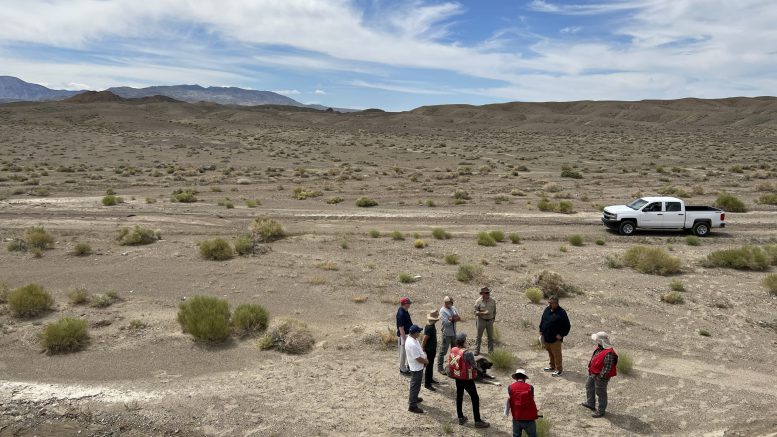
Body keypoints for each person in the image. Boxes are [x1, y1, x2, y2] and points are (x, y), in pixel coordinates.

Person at [448, 333, 490, 428]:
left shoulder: (453, 349)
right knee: (475, 398)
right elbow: (474, 365)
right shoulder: (468, 353)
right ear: (464, 342)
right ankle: (478, 421)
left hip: (457, 376)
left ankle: (460, 417)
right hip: (466, 378)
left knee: (459, 396)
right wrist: (481, 370)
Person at [582, 331, 618, 418]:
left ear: (602, 341)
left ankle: (601, 411)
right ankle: (590, 403)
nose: (596, 342)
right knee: (589, 386)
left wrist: (600, 377)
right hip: (593, 373)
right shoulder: (600, 348)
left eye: (598, 340)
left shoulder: (609, 353)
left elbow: (607, 368)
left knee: (601, 393)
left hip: (600, 377)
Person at [538, 295, 570, 377]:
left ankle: (559, 370)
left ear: (556, 303)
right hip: (546, 336)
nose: (549, 304)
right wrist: (541, 330)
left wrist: (561, 334)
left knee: (557, 354)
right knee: (550, 353)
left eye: (551, 303)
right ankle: (552, 366)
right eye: (548, 302)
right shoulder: (547, 309)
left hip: (555, 339)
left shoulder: (562, 313)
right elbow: (543, 320)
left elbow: (567, 326)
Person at [506, 369, 539, 437]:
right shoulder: (530, 387)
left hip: (516, 417)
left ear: (516, 378)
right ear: (524, 378)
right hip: (529, 418)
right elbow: (531, 399)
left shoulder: (510, 387)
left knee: (516, 435)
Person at [405, 324, 428, 414]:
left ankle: (414, 398)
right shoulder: (412, 344)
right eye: (418, 332)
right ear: (414, 333)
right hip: (416, 367)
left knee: (416, 385)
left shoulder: (413, 339)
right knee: (415, 386)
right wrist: (425, 361)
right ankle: (412, 406)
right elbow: (418, 358)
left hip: (417, 366)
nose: (420, 333)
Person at [437, 296, 460, 374]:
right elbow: (446, 323)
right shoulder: (442, 311)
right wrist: (452, 319)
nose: (452, 303)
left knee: (455, 351)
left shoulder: (453, 308)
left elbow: (458, 317)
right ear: (446, 303)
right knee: (443, 351)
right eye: (450, 302)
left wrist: (451, 318)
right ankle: (440, 368)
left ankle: (453, 365)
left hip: (454, 333)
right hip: (446, 334)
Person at [473, 287, 497, 356]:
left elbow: (494, 311)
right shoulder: (478, 301)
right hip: (481, 320)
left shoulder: (492, 301)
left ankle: (491, 352)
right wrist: (483, 313)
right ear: (482, 294)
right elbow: (475, 312)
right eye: (486, 293)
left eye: (488, 292)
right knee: (478, 336)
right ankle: (477, 350)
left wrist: (493, 319)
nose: (488, 294)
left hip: (490, 321)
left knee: (490, 337)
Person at [422, 310, 441, 391]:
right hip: (429, 349)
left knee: (431, 364)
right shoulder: (429, 327)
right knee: (429, 366)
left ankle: (430, 379)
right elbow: (425, 339)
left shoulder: (431, 325)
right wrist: (422, 348)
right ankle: (427, 383)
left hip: (432, 349)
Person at [396, 297, 413, 375]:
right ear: (405, 304)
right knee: (403, 353)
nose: (409, 304)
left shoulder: (404, 311)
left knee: (406, 352)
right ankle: (402, 369)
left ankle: (406, 366)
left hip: (407, 334)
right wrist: (405, 340)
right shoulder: (401, 314)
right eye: (408, 303)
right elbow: (401, 328)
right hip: (404, 335)